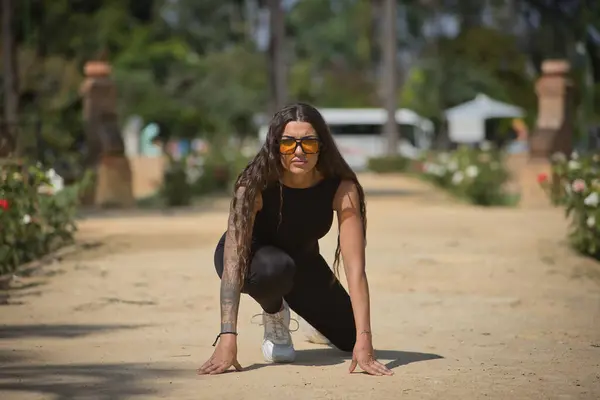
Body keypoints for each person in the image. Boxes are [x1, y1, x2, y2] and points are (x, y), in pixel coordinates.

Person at [197, 103, 393, 377]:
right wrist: (227, 336)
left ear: (322, 146)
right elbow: (232, 263)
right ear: (276, 146)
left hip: (303, 262)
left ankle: (313, 320)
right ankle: (275, 312)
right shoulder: (254, 185)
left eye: (308, 143)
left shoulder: (342, 188)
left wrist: (365, 339)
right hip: (252, 261)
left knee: (350, 339)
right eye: (288, 143)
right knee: (275, 269)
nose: (299, 151)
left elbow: (355, 268)